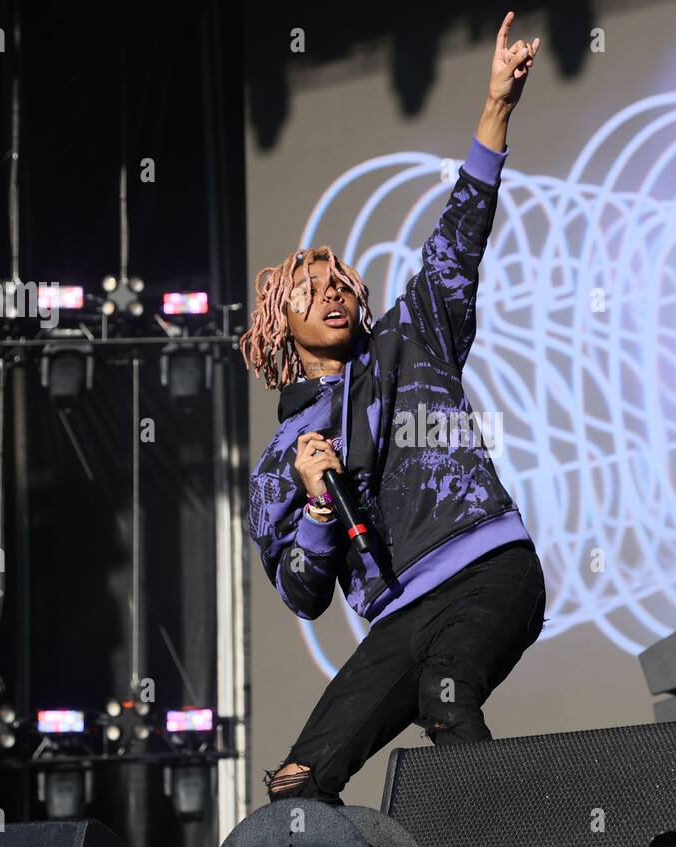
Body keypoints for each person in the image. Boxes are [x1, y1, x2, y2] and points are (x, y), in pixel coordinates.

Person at [241, 12, 544, 806]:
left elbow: (461, 233)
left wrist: (495, 112)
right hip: (398, 617)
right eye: (313, 293)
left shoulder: (414, 336)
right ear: (285, 325)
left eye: (342, 284)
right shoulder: (281, 461)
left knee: (448, 697)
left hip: (489, 568)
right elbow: (304, 592)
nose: (334, 297)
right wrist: (315, 504)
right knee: (298, 782)